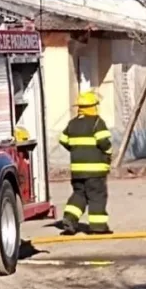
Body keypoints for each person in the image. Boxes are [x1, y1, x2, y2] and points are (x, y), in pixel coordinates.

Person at [58, 91, 113, 235]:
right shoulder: (97, 122)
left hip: (77, 171)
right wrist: (108, 153)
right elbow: (104, 142)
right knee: (97, 196)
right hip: (96, 170)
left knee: (79, 194)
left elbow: (63, 140)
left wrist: (75, 149)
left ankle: (69, 219)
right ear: (93, 106)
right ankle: (98, 227)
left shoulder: (73, 123)